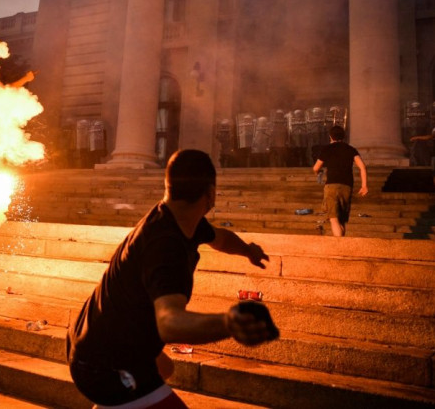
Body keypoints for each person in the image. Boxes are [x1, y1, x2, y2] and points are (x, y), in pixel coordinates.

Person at [68, 149, 279, 408]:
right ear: (211, 194)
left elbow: (221, 239)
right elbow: (170, 323)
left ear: (168, 187)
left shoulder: (179, 219)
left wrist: (248, 250)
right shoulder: (166, 245)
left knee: (163, 368)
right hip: (105, 363)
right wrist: (230, 323)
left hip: (96, 339)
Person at [312, 125, 368, 237]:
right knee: (341, 220)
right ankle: (342, 244)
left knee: (333, 219)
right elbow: (362, 167)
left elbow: (315, 168)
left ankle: (339, 246)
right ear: (344, 136)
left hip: (332, 185)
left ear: (330, 136)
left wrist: (318, 173)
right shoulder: (351, 149)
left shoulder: (327, 149)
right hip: (347, 186)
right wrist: (364, 186)